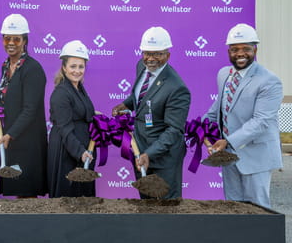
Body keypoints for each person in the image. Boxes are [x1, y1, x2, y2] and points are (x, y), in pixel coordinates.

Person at [204, 23, 283, 208]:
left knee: (258, 212)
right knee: (234, 210)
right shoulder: (224, 74)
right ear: (228, 51)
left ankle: (262, 239)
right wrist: (203, 130)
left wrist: (228, 141)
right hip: (230, 158)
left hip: (256, 157)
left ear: (255, 49)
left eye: (246, 49)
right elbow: (219, 108)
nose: (240, 53)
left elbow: (261, 121)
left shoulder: (269, 81)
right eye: (234, 49)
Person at [112, 26, 190, 199]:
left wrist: (150, 153)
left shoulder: (177, 88)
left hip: (164, 159)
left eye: (158, 54)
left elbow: (174, 131)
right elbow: (142, 97)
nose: (151, 59)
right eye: (147, 53)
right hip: (140, 150)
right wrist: (126, 105)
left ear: (168, 55)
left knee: (166, 210)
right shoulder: (141, 66)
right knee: (146, 206)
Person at [0, 13, 48, 198]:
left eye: (16, 39)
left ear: (25, 41)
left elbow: (30, 110)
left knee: (27, 196)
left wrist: (10, 134)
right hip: (11, 140)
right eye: (6, 38)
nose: (10, 43)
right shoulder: (5, 66)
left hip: (28, 143)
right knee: (17, 195)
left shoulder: (33, 69)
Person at [47, 40, 96, 198]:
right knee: (67, 198)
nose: (77, 71)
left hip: (81, 150)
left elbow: (81, 112)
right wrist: (80, 152)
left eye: (81, 66)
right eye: (73, 66)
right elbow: (65, 128)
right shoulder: (61, 93)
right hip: (66, 152)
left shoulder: (79, 88)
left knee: (82, 199)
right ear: (64, 67)